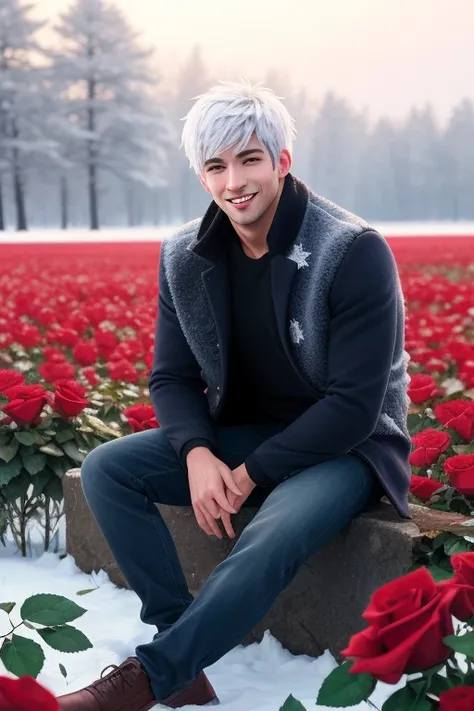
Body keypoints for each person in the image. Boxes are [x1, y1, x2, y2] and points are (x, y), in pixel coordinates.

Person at [57, 80, 412, 711]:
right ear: (201, 175)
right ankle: (180, 649)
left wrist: (249, 474)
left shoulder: (352, 251)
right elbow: (170, 377)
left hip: (347, 448)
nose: (234, 182)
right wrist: (196, 452)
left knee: (270, 534)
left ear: (281, 161)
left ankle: (148, 678)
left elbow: (357, 405)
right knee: (110, 469)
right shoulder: (185, 256)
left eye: (249, 159)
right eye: (216, 166)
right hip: (249, 432)